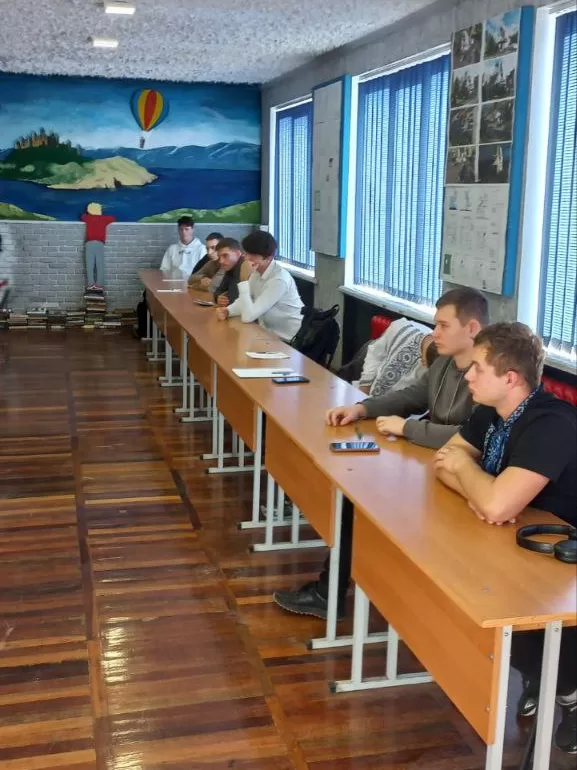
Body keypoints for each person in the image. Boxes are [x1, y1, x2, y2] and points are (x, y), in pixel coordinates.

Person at [273, 287, 489, 620]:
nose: (434, 333)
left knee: (364, 507)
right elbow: (411, 396)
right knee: (355, 499)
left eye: (444, 326)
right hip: (433, 465)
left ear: (472, 328)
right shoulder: (445, 363)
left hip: (465, 480)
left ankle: (339, 595)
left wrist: (408, 428)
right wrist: (362, 408)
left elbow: (471, 437)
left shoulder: (488, 376)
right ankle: (329, 593)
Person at [434, 322, 577, 754]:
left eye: (478, 368)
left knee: (508, 621)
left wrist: (470, 475)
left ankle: (569, 696)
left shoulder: (552, 422)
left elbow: (490, 500)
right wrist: (481, 490)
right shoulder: (490, 411)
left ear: (511, 378)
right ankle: (544, 677)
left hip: (560, 562)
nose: (468, 375)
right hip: (514, 543)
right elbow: (442, 462)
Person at [216, 232, 303, 341]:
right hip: (266, 334)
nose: (247, 258)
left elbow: (248, 317)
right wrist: (228, 311)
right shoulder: (257, 272)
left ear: (269, 257)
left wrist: (244, 280)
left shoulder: (279, 279)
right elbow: (245, 300)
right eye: (246, 253)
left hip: (288, 341)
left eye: (253, 255)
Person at [359, 318, 437, 395]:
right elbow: (375, 355)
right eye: (424, 361)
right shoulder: (401, 327)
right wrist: (364, 388)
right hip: (367, 385)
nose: (423, 365)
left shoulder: (437, 363)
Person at [212, 238, 252, 307]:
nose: (221, 261)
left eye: (225, 256)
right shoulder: (231, 267)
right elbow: (219, 291)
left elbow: (234, 298)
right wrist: (219, 298)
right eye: (219, 257)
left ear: (238, 253)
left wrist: (223, 298)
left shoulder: (245, 267)